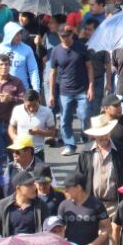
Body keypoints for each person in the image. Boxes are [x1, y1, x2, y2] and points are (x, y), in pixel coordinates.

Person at [49, 25, 96, 155]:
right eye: (63, 36)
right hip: (65, 91)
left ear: (72, 35)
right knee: (64, 120)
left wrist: (91, 86)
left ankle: (86, 138)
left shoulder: (81, 47)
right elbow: (52, 73)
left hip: (82, 89)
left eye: (68, 35)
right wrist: (51, 94)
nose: (66, 39)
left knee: (85, 115)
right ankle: (69, 144)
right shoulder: (56, 51)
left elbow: (89, 67)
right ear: (59, 37)